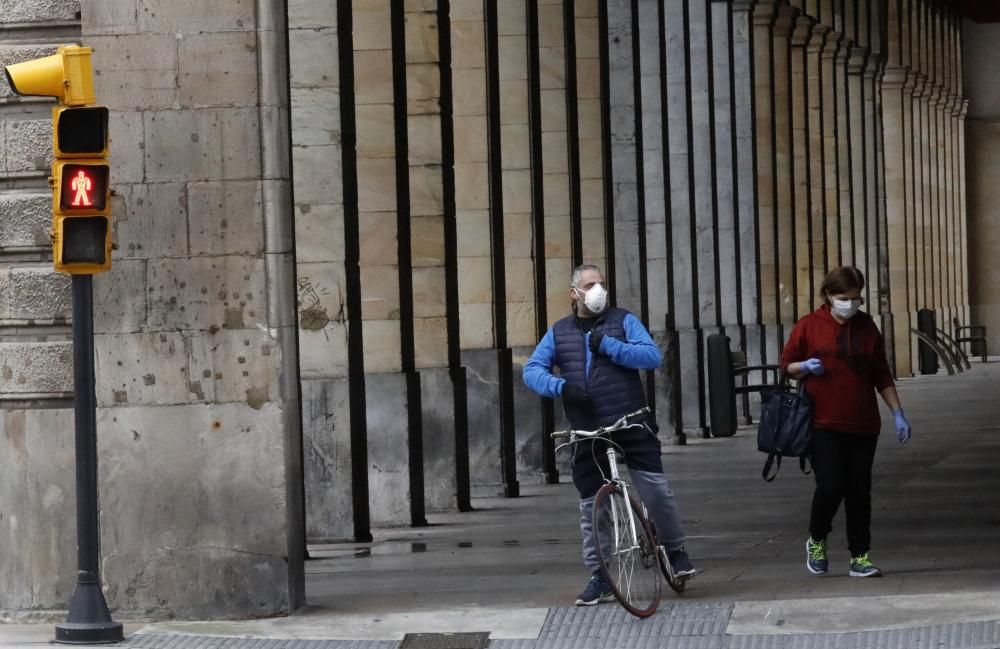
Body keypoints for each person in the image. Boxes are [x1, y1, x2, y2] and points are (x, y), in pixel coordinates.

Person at [523, 263, 695, 606]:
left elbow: (651, 356)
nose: (598, 289)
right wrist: (561, 387)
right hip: (588, 430)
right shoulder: (559, 332)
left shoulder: (623, 321)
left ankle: (675, 551)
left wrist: (612, 346)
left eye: (601, 283)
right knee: (592, 507)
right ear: (575, 293)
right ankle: (600, 574)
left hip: (630, 422)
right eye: (590, 284)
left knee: (656, 491)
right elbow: (532, 370)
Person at [780, 266, 912, 578]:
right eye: (844, 298)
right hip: (822, 421)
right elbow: (786, 366)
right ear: (828, 295)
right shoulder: (809, 326)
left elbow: (880, 372)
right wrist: (805, 367)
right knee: (830, 484)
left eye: (856, 299)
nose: (850, 304)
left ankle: (860, 555)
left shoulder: (867, 327)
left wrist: (897, 412)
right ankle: (817, 537)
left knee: (859, 490)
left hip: (863, 423)